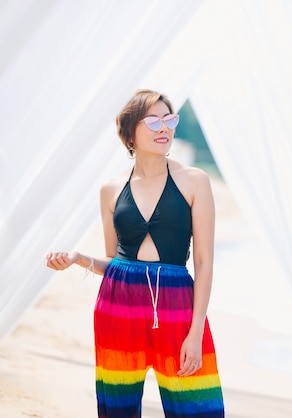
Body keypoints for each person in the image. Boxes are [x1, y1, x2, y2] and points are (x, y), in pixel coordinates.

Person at [46, 89, 225, 418]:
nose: (164, 128)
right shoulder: (111, 189)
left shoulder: (194, 181)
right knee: (118, 408)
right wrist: (77, 258)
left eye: (170, 119)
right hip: (118, 307)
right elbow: (116, 262)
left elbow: (203, 262)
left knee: (199, 407)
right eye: (153, 120)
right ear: (130, 132)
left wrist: (196, 329)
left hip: (176, 306)